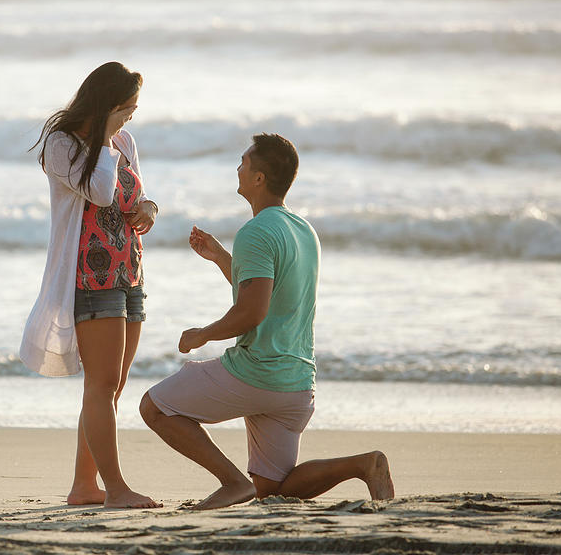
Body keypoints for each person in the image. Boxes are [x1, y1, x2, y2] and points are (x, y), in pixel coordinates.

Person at [139, 133, 394, 510]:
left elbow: (251, 313)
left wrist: (201, 335)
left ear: (258, 178)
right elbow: (271, 297)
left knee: (154, 407)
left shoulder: (255, 231)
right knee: (273, 489)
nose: (238, 167)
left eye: (244, 161)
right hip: (296, 385)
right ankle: (364, 464)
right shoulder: (304, 230)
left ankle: (231, 484)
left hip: (256, 374)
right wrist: (222, 257)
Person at [20, 62, 161, 509]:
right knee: (99, 384)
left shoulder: (123, 141)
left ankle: (85, 486)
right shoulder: (63, 145)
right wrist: (103, 138)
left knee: (113, 384)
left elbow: (132, 196)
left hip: (128, 271)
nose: (131, 119)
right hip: (88, 273)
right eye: (127, 110)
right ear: (107, 105)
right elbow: (100, 192)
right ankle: (116, 489)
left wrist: (150, 209)